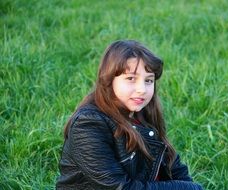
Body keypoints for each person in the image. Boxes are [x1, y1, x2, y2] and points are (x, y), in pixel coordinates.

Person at [56, 40, 203, 189]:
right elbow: (119, 187)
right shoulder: (88, 124)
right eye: (131, 78)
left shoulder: (143, 112)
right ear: (109, 79)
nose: (142, 89)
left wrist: (190, 186)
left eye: (149, 80)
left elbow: (171, 163)